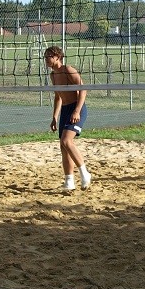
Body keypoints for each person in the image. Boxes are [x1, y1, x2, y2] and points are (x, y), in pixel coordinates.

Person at [45, 45, 92, 191]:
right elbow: (58, 97)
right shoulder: (53, 75)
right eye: (45, 57)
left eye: (48, 57)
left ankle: (85, 174)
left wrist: (77, 111)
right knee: (63, 146)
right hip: (65, 110)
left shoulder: (68, 70)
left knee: (67, 141)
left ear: (57, 57)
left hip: (76, 108)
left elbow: (83, 89)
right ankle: (69, 182)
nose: (46, 60)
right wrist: (54, 117)